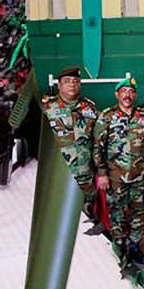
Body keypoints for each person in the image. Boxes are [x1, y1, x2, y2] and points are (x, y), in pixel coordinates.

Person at [93, 77, 144, 265]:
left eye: (131, 92)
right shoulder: (107, 116)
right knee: (116, 211)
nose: (128, 95)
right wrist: (102, 173)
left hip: (140, 174)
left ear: (135, 95)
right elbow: (97, 147)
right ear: (117, 94)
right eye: (124, 91)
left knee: (138, 212)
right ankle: (119, 244)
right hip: (115, 175)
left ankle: (134, 245)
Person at [41, 67, 99, 219]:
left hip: (86, 177)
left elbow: (99, 140)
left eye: (76, 81)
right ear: (59, 85)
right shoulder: (47, 108)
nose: (72, 85)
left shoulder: (90, 107)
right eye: (67, 82)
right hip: (59, 178)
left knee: (88, 223)